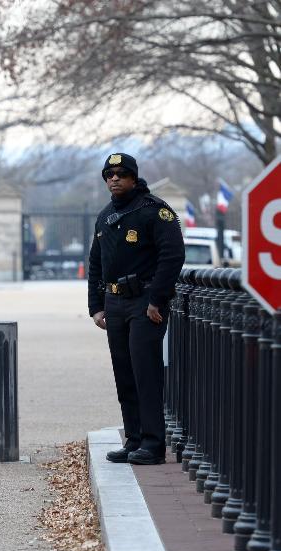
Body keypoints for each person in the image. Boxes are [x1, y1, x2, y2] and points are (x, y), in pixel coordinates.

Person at [87, 152, 185, 465]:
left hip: (145, 303)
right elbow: (95, 263)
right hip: (114, 303)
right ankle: (134, 439)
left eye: (121, 173)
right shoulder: (104, 216)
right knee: (125, 374)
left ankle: (154, 444)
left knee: (146, 372)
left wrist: (158, 299)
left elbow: (172, 256)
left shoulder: (154, 211)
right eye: (109, 174)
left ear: (133, 177)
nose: (114, 178)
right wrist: (96, 306)